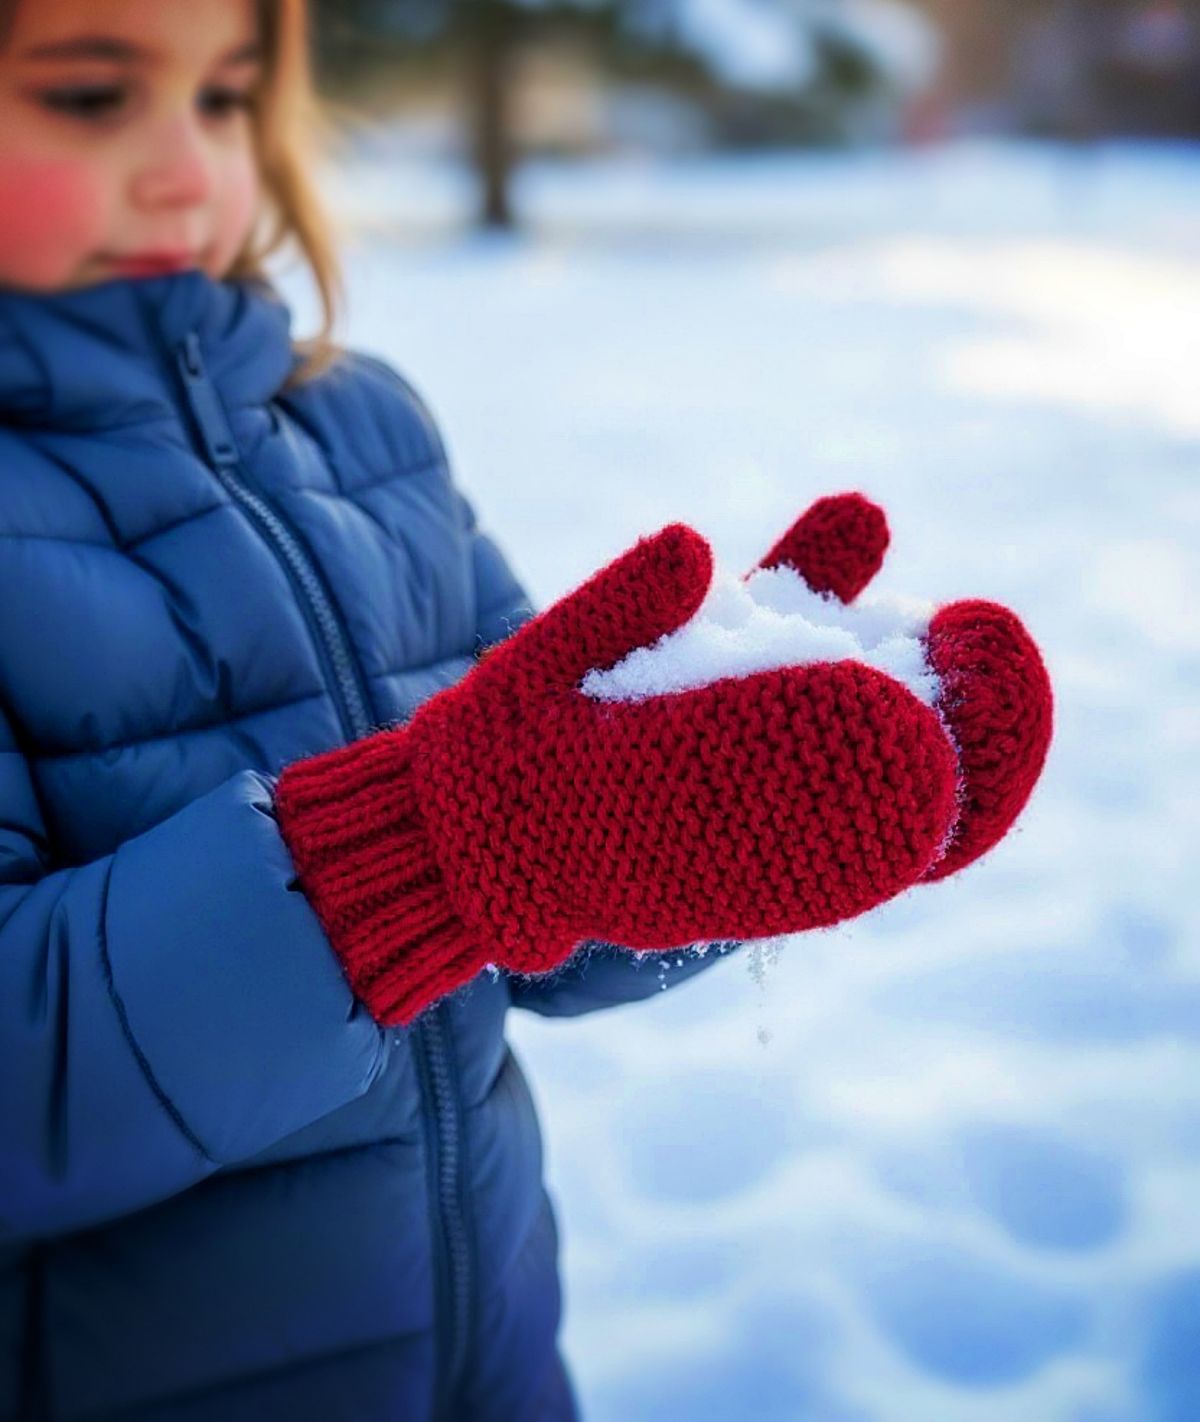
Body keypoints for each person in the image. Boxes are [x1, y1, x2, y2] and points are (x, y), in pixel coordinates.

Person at [0, 1, 1053, 1419]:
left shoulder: (361, 433)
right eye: (88, 97)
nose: (191, 169)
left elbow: (534, 896)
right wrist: (415, 856)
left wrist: (723, 782)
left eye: (228, 98)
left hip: (483, 1349)